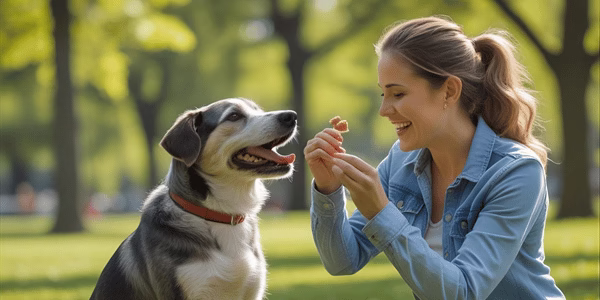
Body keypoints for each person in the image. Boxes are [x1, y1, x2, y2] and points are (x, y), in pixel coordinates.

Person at [304, 16, 565, 299]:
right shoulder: (400, 163)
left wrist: (381, 213)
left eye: (397, 93)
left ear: (449, 91)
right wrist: (327, 189)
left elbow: (463, 292)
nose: (383, 109)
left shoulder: (515, 172)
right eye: (383, 93)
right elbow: (343, 261)